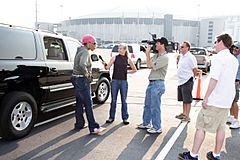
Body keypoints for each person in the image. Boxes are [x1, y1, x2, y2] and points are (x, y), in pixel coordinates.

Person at [178, 33, 238, 160]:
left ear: (221, 42)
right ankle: (216, 155)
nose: (215, 45)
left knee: (201, 126)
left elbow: (214, 80)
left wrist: (205, 98)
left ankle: (193, 155)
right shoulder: (233, 59)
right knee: (221, 128)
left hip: (215, 100)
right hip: (227, 100)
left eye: (216, 42)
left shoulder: (218, 58)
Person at [71, 34, 105, 134]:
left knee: (79, 103)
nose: (95, 45)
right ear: (88, 43)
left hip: (76, 79)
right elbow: (82, 64)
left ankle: (79, 123)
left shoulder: (80, 50)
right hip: (82, 80)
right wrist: (87, 75)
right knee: (88, 104)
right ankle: (93, 127)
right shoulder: (85, 52)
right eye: (94, 43)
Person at [137, 37, 169, 134]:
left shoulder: (165, 57)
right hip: (151, 83)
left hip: (158, 83)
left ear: (163, 45)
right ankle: (146, 123)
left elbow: (150, 66)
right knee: (147, 105)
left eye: (158, 43)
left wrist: (147, 53)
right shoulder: (156, 56)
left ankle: (157, 127)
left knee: (155, 106)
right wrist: (148, 53)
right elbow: (148, 64)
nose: (156, 45)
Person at [103, 43, 137, 124]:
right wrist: (105, 64)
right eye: (118, 48)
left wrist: (126, 72)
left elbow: (134, 69)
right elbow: (107, 67)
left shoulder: (127, 59)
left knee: (124, 101)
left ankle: (125, 118)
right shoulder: (114, 58)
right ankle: (111, 117)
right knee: (113, 100)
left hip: (124, 82)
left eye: (121, 48)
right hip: (114, 81)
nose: (119, 50)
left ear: (125, 50)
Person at [175, 41, 198, 122]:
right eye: (181, 46)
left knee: (187, 100)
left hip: (187, 80)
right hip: (181, 81)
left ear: (187, 48)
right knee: (184, 99)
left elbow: (195, 69)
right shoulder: (182, 56)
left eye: (182, 46)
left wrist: (192, 78)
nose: (181, 48)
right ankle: (184, 113)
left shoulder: (190, 57)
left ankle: (187, 116)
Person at [227, 41, 240, 129]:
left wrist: (238, 81)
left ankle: (236, 120)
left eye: (237, 48)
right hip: (230, 81)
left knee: (234, 101)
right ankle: (231, 117)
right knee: (231, 100)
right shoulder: (233, 57)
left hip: (236, 81)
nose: (235, 49)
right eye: (234, 47)